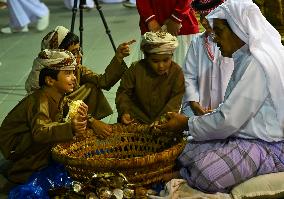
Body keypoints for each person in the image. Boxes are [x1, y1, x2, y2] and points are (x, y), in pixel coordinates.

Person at [156, 0, 284, 193]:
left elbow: (228, 120)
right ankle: (186, 172)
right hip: (241, 135)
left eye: (220, 31)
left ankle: (270, 163)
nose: (215, 38)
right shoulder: (245, 56)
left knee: (206, 172)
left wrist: (186, 123)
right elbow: (228, 112)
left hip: (266, 145)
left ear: (238, 29)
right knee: (187, 150)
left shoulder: (257, 63)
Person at [0, 49, 88, 192]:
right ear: (50, 80)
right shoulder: (40, 100)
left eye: (73, 72)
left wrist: (81, 119)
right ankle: (20, 173)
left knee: (61, 133)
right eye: (67, 73)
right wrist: (70, 127)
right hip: (14, 145)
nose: (74, 78)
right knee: (51, 136)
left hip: (29, 138)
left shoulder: (59, 96)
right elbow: (40, 132)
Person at [25, 25, 134, 139]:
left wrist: (119, 57)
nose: (80, 56)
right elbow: (56, 109)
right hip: (47, 125)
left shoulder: (77, 69)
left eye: (79, 50)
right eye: (74, 52)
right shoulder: (41, 83)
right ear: (59, 54)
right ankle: (79, 128)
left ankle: (82, 127)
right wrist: (91, 121)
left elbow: (103, 81)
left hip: (65, 112)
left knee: (91, 86)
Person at [115, 31, 185, 124]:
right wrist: (125, 112)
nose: (161, 66)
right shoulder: (135, 69)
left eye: (165, 60)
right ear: (146, 58)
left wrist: (162, 120)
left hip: (164, 122)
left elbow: (175, 100)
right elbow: (123, 93)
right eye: (155, 61)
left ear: (171, 56)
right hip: (136, 120)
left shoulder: (177, 72)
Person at [182, 0, 234, 116]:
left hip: (229, 109)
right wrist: (194, 102)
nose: (203, 22)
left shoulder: (234, 43)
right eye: (201, 16)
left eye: (208, 17)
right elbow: (188, 76)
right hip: (200, 107)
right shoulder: (197, 42)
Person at [136, 0, 199, 67]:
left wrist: (177, 18)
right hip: (151, 27)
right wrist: (149, 19)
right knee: (150, 73)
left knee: (185, 72)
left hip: (182, 26)